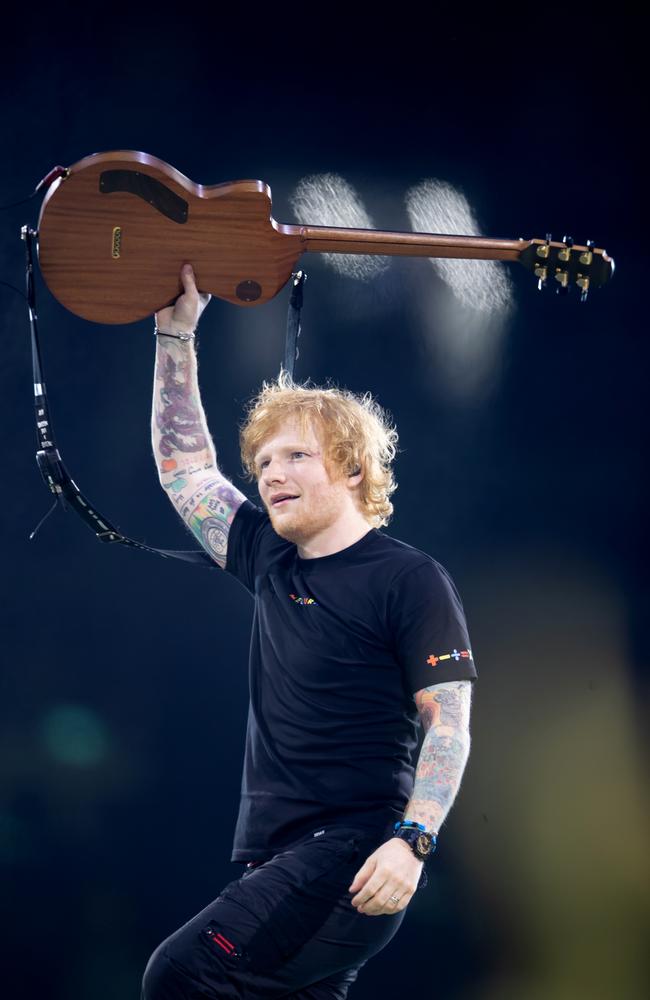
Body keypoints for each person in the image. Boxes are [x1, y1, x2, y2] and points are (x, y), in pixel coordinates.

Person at [142, 264, 476, 999]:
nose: (271, 474)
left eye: (296, 455)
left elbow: (448, 724)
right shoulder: (268, 556)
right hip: (282, 858)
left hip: (354, 852)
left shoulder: (408, 578)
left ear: (354, 469)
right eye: (262, 462)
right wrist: (174, 336)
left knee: (180, 974)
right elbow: (187, 471)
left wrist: (414, 842)